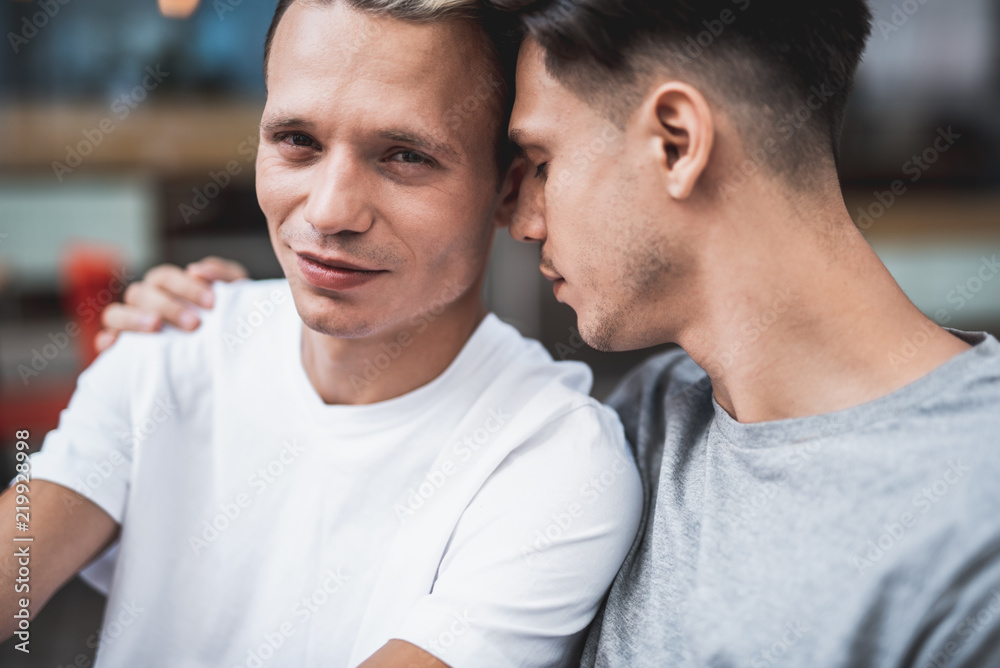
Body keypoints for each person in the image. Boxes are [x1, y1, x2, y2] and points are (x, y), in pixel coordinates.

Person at [113, 0, 1000, 666]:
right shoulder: (646, 425)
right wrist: (218, 349)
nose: (521, 217)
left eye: (540, 163)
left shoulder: (971, 524)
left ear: (676, 141)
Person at [0, 2, 644, 667]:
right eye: (297, 141)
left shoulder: (552, 461)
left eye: (405, 156)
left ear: (508, 192)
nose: (330, 210)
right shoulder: (171, 339)